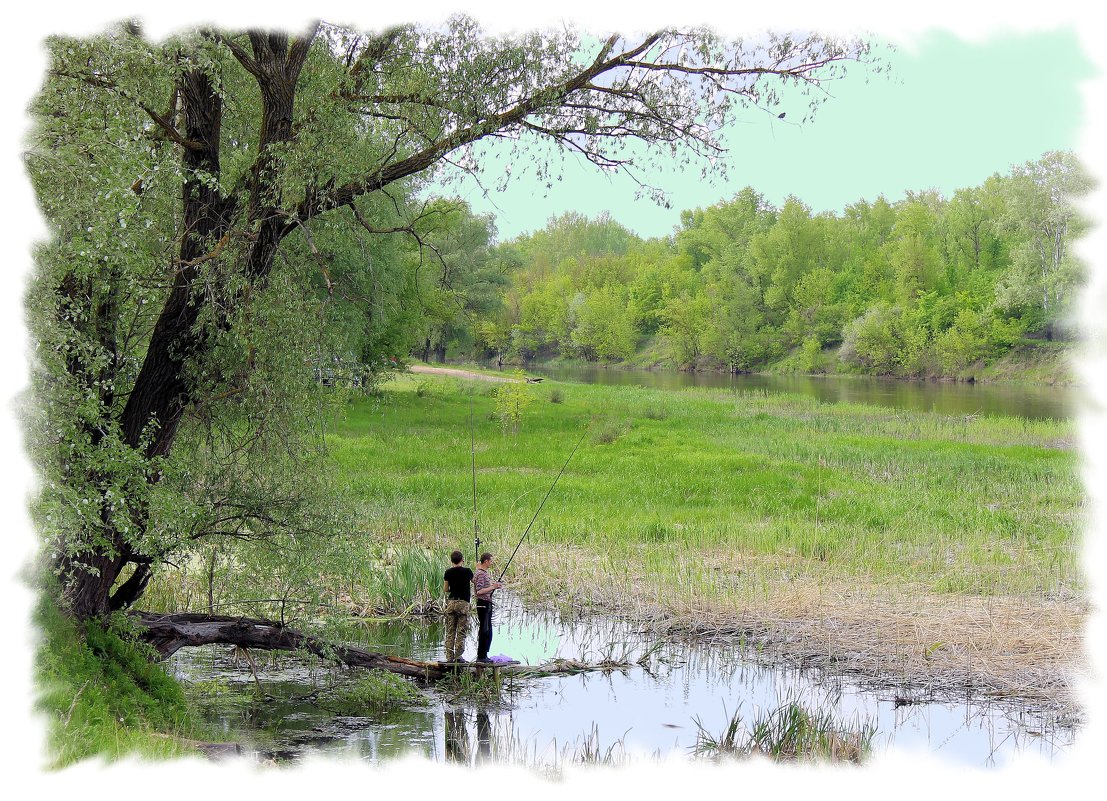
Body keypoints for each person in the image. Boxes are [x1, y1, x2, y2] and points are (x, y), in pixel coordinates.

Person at [442, 550, 474, 662]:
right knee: (461, 631)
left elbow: (446, 589)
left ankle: (449, 658)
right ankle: (458, 657)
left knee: (450, 631)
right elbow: (475, 581)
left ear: (451, 561)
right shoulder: (467, 571)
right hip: (463, 604)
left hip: (451, 603)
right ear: (462, 560)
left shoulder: (448, 572)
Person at [473, 552, 503, 663]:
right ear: (486, 561)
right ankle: (481, 656)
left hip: (486, 603)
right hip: (483, 603)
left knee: (487, 629)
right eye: (490, 561)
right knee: (484, 630)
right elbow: (479, 591)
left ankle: (484, 655)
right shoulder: (481, 574)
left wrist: (493, 586)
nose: (491, 563)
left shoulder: (481, 572)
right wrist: (493, 587)